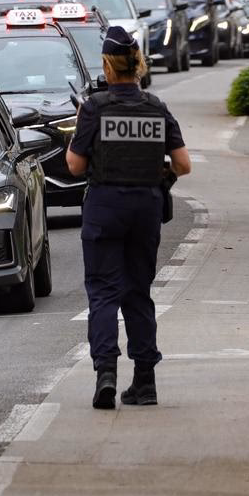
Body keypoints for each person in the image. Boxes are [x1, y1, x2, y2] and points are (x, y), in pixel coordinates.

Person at [65, 26, 192, 410]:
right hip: (145, 209)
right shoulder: (156, 107)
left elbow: (74, 166)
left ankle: (106, 374)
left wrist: (80, 129)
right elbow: (183, 165)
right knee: (138, 292)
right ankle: (145, 382)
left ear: (107, 66)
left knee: (103, 293)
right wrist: (157, 174)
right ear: (137, 65)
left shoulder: (94, 108)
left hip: (105, 207)